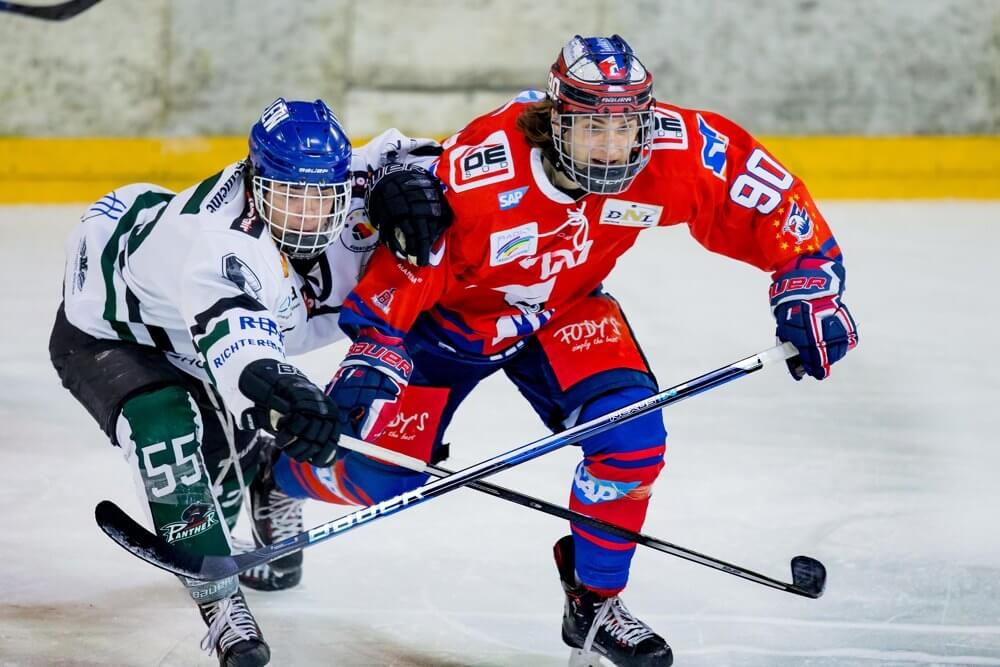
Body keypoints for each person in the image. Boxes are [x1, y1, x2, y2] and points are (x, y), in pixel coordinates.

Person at [269, 35, 859, 667]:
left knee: (632, 436)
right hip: (443, 325)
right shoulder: (483, 174)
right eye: (590, 130)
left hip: (564, 311)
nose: (612, 149)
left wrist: (808, 281)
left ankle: (595, 602)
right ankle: (271, 477)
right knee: (378, 472)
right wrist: (375, 354)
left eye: (627, 129)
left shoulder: (671, 149)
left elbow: (764, 194)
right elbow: (409, 266)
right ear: (555, 123)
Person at [48, 97, 450, 666]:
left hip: (197, 330)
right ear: (257, 183)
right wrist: (286, 401)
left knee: (234, 503)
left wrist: (405, 178)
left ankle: (267, 474)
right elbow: (245, 355)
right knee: (163, 431)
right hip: (114, 329)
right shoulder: (220, 245)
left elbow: (422, 156)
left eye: (322, 197)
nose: (308, 215)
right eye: (289, 197)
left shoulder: (342, 178)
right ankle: (220, 605)